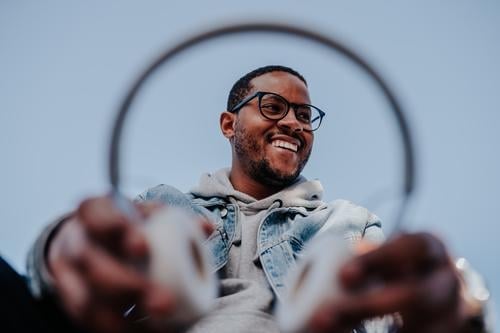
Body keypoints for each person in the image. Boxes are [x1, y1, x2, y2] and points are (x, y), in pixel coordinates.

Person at [3, 65, 486, 333]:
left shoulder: (350, 222)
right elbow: (82, 273)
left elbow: (397, 315)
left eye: (304, 114)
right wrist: (55, 252)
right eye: (273, 107)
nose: (294, 123)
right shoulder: (164, 207)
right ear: (229, 124)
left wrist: (457, 317)